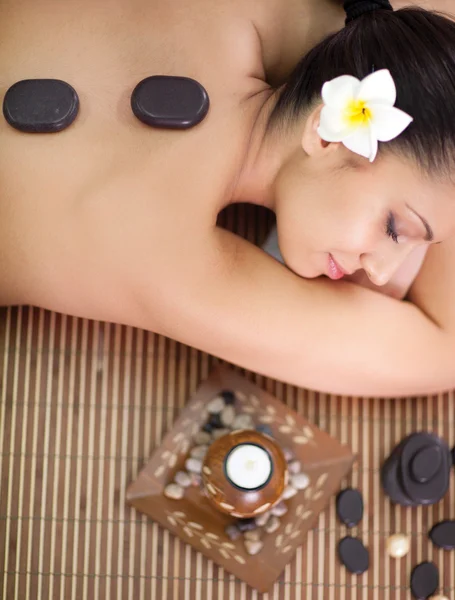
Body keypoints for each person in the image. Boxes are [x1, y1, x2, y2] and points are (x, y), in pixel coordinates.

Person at [1, 0, 455, 398]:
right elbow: (442, 351)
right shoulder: (171, 256)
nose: (381, 272)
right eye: (395, 229)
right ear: (325, 134)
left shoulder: (251, 14)